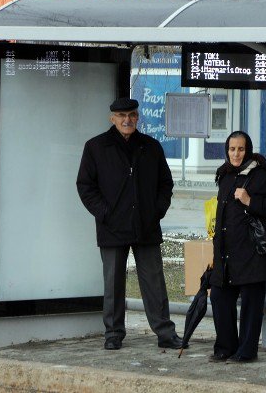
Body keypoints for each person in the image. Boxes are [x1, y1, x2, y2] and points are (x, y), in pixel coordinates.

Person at [76, 97, 182, 351]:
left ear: (138, 117)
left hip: (146, 225)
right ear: (112, 118)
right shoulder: (96, 147)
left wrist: (157, 211)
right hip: (112, 227)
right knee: (113, 282)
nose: (127, 120)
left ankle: (165, 332)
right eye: (122, 116)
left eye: (132, 115)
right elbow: (85, 186)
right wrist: (105, 213)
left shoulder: (151, 146)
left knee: (154, 281)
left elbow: (165, 184)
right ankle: (113, 334)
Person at [209, 131, 266, 363]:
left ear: (248, 150)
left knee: (251, 306)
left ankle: (246, 351)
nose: (236, 153)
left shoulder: (261, 176)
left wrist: (250, 201)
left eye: (241, 149)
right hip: (226, 253)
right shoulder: (224, 175)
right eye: (232, 149)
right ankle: (225, 347)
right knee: (220, 298)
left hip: (252, 253)